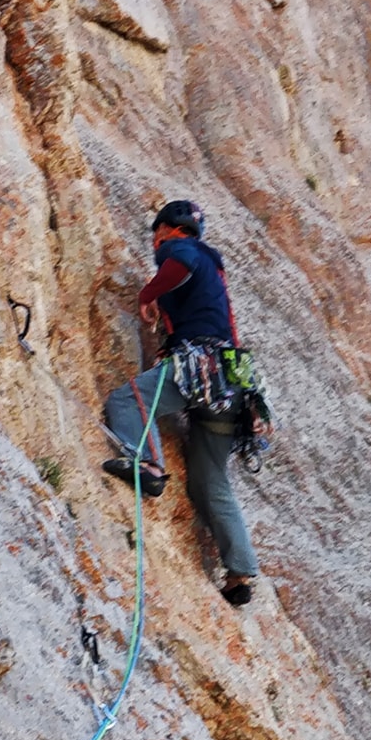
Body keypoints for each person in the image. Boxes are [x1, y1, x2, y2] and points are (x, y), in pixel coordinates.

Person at [100, 199, 263, 607]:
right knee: (209, 483)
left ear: (168, 228)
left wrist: (148, 292)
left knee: (131, 398)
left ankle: (149, 463)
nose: (155, 243)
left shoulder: (181, 248)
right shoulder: (214, 269)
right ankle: (240, 568)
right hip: (232, 387)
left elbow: (179, 267)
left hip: (201, 367)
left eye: (157, 234)